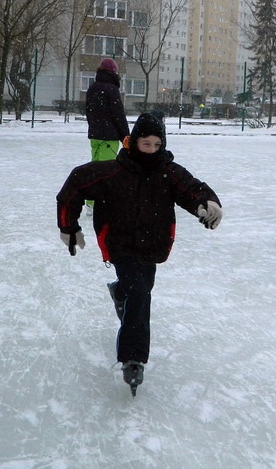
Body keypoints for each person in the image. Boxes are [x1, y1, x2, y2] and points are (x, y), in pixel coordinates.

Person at [56, 112, 223, 395]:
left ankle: (119, 292)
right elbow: (74, 186)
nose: (151, 150)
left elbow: (192, 189)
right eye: (146, 144)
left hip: (152, 245)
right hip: (120, 244)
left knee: (140, 288)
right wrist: (68, 226)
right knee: (140, 294)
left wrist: (207, 203)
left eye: (157, 145)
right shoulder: (113, 171)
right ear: (134, 142)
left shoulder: (167, 172)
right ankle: (133, 358)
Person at [85, 58, 130, 163]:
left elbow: (89, 112)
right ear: (114, 72)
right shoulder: (112, 89)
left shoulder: (92, 88)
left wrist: (94, 127)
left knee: (95, 166)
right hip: (109, 137)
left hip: (95, 135)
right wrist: (125, 136)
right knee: (107, 169)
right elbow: (118, 114)